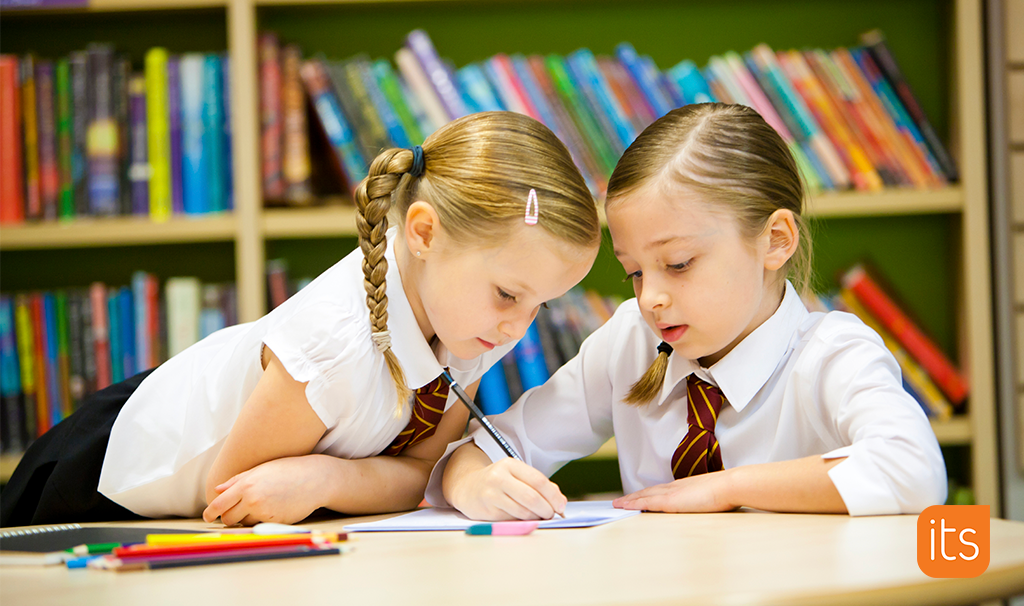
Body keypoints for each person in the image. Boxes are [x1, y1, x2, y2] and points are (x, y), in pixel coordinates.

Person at [0, 111, 600, 527]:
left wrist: (323, 481)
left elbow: (419, 473)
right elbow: (238, 497)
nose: (519, 328)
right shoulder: (334, 348)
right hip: (100, 479)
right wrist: (331, 482)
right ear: (422, 233)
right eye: (508, 294)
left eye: (538, 305)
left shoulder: (472, 320)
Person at [429, 103, 947, 520]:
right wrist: (475, 481)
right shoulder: (630, 341)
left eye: (677, 264)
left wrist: (726, 490)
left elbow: (914, 469)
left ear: (776, 241)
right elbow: (489, 447)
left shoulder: (834, 353)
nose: (649, 297)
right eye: (634, 272)